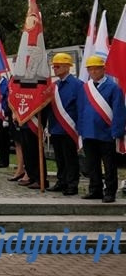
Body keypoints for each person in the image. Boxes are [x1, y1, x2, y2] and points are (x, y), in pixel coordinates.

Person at [78, 55, 126, 203]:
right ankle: (95, 189)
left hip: (106, 132)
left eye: (96, 69)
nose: (93, 72)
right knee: (92, 163)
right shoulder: (86, 88)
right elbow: (81, 109)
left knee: (109, 164)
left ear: (103, 69)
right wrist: (80, 130)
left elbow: (119, 111)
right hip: (88, 132)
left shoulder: (113, 88)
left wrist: (117, 132)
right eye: (90, 69)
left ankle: (110, 191)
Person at [44, 53, 83, 196]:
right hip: (55, 127)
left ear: (67, 67)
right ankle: (61, 181)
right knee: (59, 158)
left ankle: (72, 184)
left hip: (69, 128)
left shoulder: (77, 85)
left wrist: (79, 128)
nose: (55, 68)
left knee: (70, 158)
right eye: (54, 66)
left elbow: (80, 107)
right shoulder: (55, 86)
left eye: (58, 66)